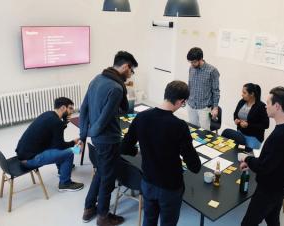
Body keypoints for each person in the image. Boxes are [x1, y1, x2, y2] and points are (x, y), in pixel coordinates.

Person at [121, 80, 201, 226]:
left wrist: (138, 151)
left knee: (149, 220)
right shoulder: (179, 126)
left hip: (148, 182)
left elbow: (124, 148)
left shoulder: (141, 117)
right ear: (181, 101)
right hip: (170, 187)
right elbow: (194, 166)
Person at [80, 51, 138, 226]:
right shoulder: (116, 88)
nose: (131, 74)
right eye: (131, 70)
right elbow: (105, 119)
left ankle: (89, 208)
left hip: (97, 139)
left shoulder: (97, 79)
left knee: (101, 172)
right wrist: (94, 132)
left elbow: (84, 109)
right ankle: (103, 217)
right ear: (126, 66)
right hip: (107, 139)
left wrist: (84, 135)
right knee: (107, 177)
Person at [239, 87, 284, 226]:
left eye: (268, 103)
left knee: (248, 223)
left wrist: (247, 159)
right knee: (272, 219)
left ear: (277, 106)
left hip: (269, 189)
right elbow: (275, 161)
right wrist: (252, 162)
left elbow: (264, 167)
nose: (265, 106)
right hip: (281, 185)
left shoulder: (279, 136)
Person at [16, 97, 84, 191]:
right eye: (70, 108)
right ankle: (65, 184)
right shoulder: (56, 122)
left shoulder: (48, 114)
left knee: (61, 150)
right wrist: (75, 144)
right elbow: (59, 146)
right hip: (30, 160)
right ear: (63, 108)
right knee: (70, 153)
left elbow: (53, 136)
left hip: (23, 155)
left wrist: (63, 123)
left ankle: (63, 169)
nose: (72, 111)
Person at [187, 47, 220, 130]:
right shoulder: (191, 68)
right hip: (191, 105)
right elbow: (190, 85)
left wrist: (215, 108)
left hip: (204, 107)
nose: (192, 64)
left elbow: (216, 91)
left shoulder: (212, 71)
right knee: (192, 130)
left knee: (204, 133)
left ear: (201, 59)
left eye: (194, 62)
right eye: (190, 62)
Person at [234, 83, 269, 150]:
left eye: (244, 93)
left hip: (253, 137)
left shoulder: (261, 106)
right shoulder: (242, 102)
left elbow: (265, 125)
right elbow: (235, 114)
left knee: (248, 156)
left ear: (252, 94)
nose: (242, 94)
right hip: (240, 133)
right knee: (236, 153)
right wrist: (236, 119)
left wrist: (248, 125)